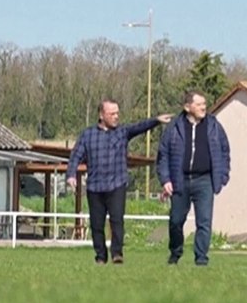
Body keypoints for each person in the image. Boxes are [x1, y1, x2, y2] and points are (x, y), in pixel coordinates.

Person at [66, 100, 172, 264]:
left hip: (117, 184)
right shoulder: (87, 135)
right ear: (101, 115)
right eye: (112, 113)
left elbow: (139, 127)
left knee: (117, 221)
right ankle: (100, 256)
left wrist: (156, 120)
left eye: (117, 113)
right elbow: (76, 156)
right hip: (95, 186)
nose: (116, 117)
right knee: (96, 225)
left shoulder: (122, 132)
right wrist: (71, 175)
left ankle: (117, 254)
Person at [157, 90, 231, 266]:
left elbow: (224, 151)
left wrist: (222, 176)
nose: (203, 107)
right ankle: (175, 252)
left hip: (204, 180)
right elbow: (163, 155)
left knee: (204, 222)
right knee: (176, 221)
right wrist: (166, 179)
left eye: (204, 104)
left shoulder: (213, 126)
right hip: (179, 180)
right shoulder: (174, 127)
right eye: (199, 104)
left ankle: (201, 258)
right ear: (187, 107)